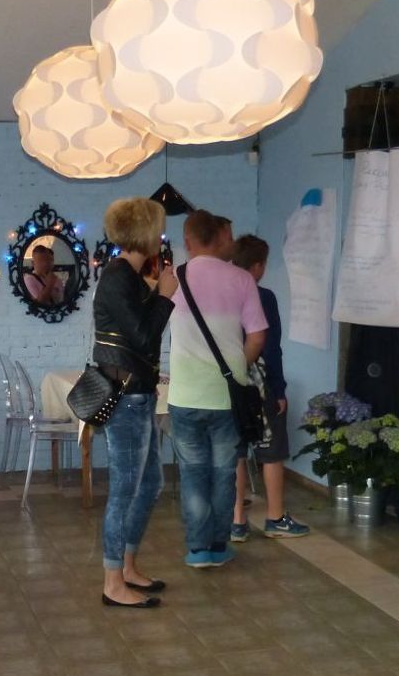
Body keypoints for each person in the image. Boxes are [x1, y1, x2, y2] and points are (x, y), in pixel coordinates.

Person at [169, 210, 268, 568]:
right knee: (225, 473)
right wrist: (237, 366)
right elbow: (257, 335)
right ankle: (218, 544)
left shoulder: (173, 278)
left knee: (193, 473)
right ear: (219, 237)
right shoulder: (242, 279)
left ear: (189, 240)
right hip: (227, 396)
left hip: (184, 395)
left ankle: (198, 549)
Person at [92, 197, 177, 608]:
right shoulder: (117, 276)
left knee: (150, 484)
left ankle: (126, 567)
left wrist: (154, 292)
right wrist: (165, 296)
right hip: (126, 399)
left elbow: (136, 334)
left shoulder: (128, 275)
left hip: (138, 395)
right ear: (144, 232)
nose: (161, 236)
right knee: (125, 490)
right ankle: (113, 583)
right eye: (157, 228)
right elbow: (144, 336)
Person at [228, 234, 309, 540]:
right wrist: (279, 389)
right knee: (272, 451)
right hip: (260, 384)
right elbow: (271, 347)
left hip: (231, 384)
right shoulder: (263, 297)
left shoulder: (223, 295)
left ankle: (237, 520)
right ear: (258, 265)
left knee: (237, 451)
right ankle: (275, 516)